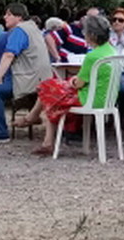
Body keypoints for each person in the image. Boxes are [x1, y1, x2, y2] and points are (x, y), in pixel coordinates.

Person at [30, 15, 116, 156]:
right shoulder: (111, 51)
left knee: (47, 88)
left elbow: (78, 84)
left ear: (92, 35)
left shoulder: (92, 56)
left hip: (88, 99)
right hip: (106, 98)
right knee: (52, 89)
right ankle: (45, 137)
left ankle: (43, 133)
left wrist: (72, 81)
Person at [0, 3, 53, 144]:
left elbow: (9, 55)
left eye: (9, 14)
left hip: (29, 79)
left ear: (19, 17)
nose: (5, 17)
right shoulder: (33, 28)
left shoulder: (20, 31)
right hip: (39, 77)